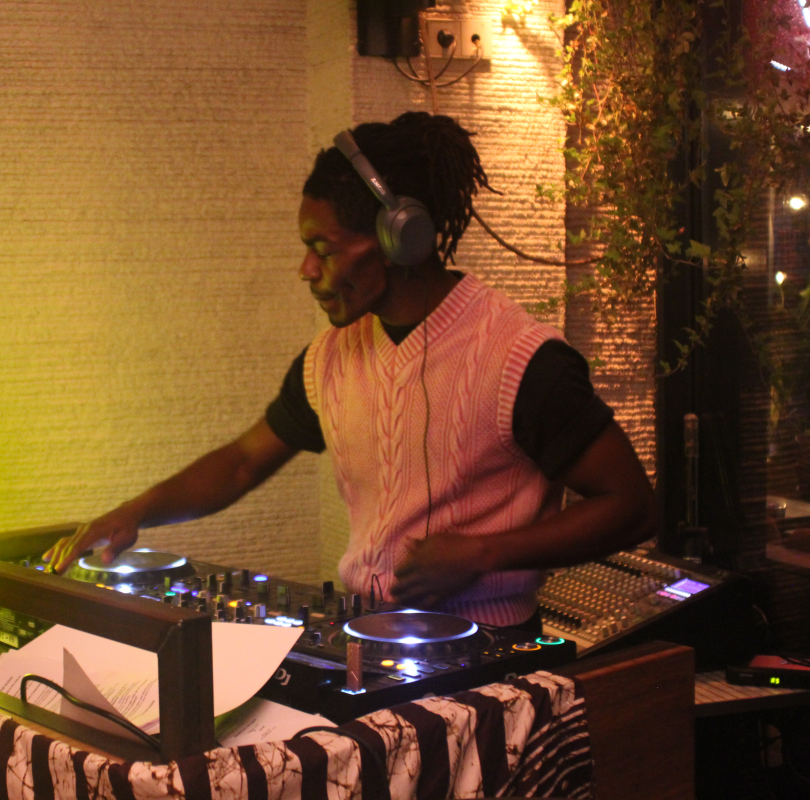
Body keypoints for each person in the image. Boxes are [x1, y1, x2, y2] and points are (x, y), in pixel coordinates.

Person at [45, 111, 658, 628]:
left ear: (399, 240)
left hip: (488, 659)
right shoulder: (329, 360)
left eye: (324, 249)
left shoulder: (521, 361)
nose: (307, 272)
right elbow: (239, 464)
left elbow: (631, 505)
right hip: (366, 635)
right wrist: (133, 513)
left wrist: (483, 553)